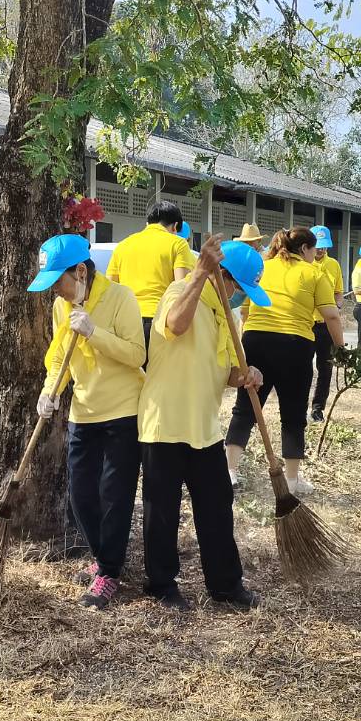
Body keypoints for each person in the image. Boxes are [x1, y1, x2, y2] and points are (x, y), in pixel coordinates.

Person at [139, 239, 267, 611]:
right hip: (165, 421)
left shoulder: (229, 316)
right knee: (162, 509)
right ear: (221, 277)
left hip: (204, 426)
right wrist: (200, 273)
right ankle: (160, 584)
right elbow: (175, 326)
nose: (239, 298)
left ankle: (226, 585)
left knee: (216, 505)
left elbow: (226, 370)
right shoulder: (181, 291)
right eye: (239, 289)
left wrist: (245, 375)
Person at [30, 233, 146, 609]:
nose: (56, 292)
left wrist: (95, 333)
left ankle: (109, 572)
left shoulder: (121, 298)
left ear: (80, 271)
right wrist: (50, 392)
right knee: (82, 496)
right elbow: (60, 355)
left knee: (115, 496)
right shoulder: (63, 307)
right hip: (84, 412)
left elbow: (136, 354)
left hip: (123, 412)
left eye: (58, 282)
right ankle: (104, 557)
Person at [225, 228, 342, 496]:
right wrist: (341, 349)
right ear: (304, 249)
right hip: (295, 346)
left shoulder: (262, 267)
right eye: (314, 250)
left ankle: (229, 470)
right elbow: (332, 316)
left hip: (256, 340)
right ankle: (291, 479)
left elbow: (244, 309)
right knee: (293, 413)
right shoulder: (314, 273)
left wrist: (250, 342)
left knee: (246, 407)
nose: (316, 255)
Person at [106, 200, 197, 349]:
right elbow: (182, 287)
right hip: (159, 321)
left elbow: (110, 289)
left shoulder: (122, 246)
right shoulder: (178, 244)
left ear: (148, 223)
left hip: (124, 322)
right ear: (175, 226)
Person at [308, 224, 344, 422]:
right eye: (317, 247)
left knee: (325, 367)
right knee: (303, 367)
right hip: (306, 324)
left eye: (323, 247)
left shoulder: (334, 265)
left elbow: (339, 292)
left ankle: (318, 408)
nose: (320, 250)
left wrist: (337, 307)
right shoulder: (304, 265)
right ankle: (298, 403)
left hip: (326, 325)